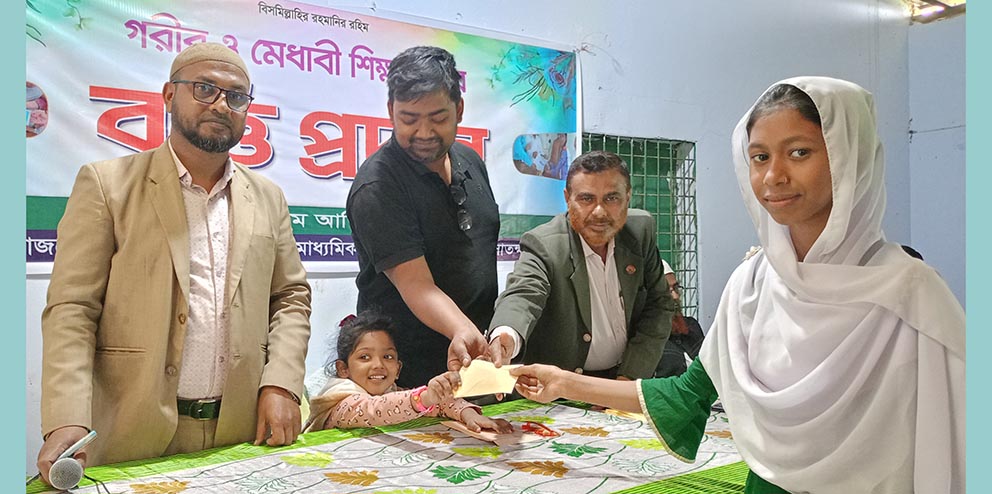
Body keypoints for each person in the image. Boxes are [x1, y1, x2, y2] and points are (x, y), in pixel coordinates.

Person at [510, 77, 964, 493]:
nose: (774, 176)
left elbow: (951, 445)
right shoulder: (752, 284)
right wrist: (564, 382)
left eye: (799, 152)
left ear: (850, 156)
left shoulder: (910, 296)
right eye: (760, 157)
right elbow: (688, 395)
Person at [37, 42, 312, 484]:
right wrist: (66, 417)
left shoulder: (267, 197)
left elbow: (291, 297)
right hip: (131, 431)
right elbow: (73, 309)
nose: (220, 105)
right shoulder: (108, 185)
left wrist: (282, 383)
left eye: (236, 96)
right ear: (169, 95)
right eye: (204, 88)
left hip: (242, 431)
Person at [346, 46, 500, 387]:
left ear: (459, 109)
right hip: (405, 373)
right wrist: (462, 329)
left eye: (438, 118)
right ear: (391, 111)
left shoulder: (471, 162)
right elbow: (415, 283)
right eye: (409, 119)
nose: (425, 133)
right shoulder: (378, 185)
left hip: (472, 360)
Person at [488, 150, 675, 380]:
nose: (599, 212)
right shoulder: (544, 245)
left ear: (628, 197)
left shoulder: (640, 232)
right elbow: (524, 294)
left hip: (624, 377)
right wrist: (507, 334)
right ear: (568, 199)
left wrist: (629, 376)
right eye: (586, 199)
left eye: (611, 198)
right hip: (561, 385)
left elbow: (659, 305)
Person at [305, 312, 513, 433]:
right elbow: (375, 410)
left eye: (388, 356)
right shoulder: (341, 402)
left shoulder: (393, 392)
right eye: (365, 357)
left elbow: (439, 403)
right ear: (343, 369)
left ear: (398, 369)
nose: (378, 364)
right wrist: (426, 397)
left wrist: (468, 414)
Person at [654, 260, 704, 377]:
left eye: (676, 288)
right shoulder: (645, 342)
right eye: (666, 290)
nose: (675, 296)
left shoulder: (691, 326)